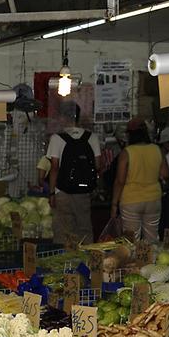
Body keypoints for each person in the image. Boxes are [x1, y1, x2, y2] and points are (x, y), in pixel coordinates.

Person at [48, 102, 101, 244]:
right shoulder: (92, 137)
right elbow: (98, 165)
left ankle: (65, 261)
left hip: (62, 192)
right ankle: (87, 260)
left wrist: (52, 193)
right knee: (84, 228)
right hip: (84, 192)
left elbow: (54, 168)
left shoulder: (57, 138)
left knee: (64, 230)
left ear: (64, 117)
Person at [111, 118, 169, 242]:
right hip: (153, 199)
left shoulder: (126, 153)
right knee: (152, 237)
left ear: (129, 134)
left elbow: (120, 181)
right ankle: (152, 260)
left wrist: (114, 204)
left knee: (132, 240)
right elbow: (165, 175)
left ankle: (133, 261)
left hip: (131, 200)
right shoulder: (157, 149)